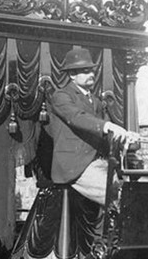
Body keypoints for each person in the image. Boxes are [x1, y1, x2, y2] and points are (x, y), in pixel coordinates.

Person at [46, 46, 136, 206]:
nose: (92, 75)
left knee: (128, 193)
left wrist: (125, 136)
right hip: (75, 165)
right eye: (86, 71)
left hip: (98, 162)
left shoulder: (95, 101)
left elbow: (104, 130)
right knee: (119, 198)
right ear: (72, 75)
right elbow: (77, 118)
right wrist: (109, 126)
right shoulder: (61, 96)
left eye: (92, 71)